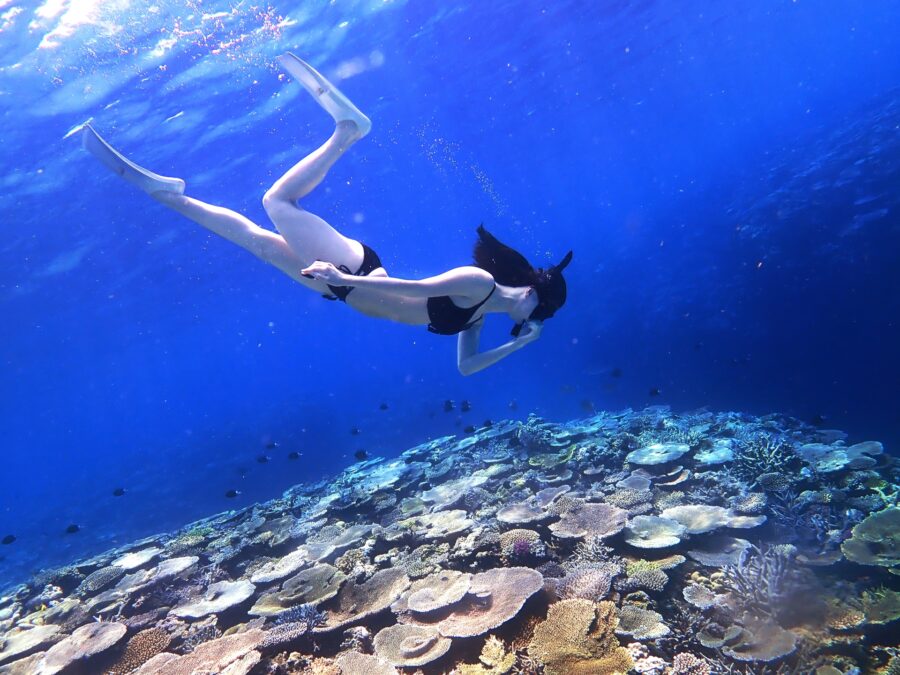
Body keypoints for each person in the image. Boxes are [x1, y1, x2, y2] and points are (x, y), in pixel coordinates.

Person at [82, 53, 572, 375]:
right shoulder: (479, 285)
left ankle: (170, 197)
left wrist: (519, 345)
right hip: (354, 271)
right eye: (539, 313)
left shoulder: (479, 318)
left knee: (255, 242)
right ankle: (347, 132)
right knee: (276, 203)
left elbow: (466, 369)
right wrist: (344, 277)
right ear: (531, 294)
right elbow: (414, 289)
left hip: (341, 287)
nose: (533, 320)